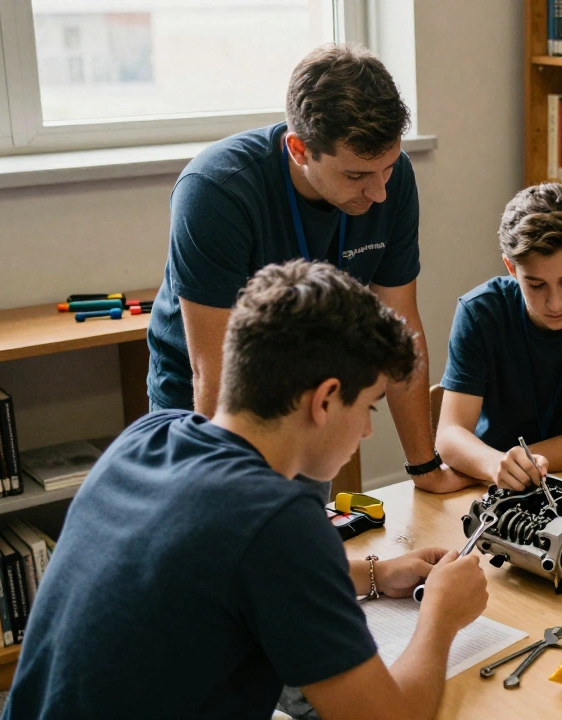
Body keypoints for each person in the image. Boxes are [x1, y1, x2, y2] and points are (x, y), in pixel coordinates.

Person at [3, 261, 489, 720]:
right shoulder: (279, 519)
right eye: (368, 408)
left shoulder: (148, 437)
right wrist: (442, 617)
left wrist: (377, 573)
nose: (364, 431)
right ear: (323, 400)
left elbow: (235, 576)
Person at [146, 43, 465, 495]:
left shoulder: (390, 180)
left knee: (300, 541)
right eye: (356, 176)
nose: (378, 193)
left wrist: (424, 467)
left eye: (388, 167)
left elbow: (401, 326)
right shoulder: (216, 191)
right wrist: (234, 504)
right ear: (299, 148)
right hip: (205, 406)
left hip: (312, 394)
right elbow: (213, 375)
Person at [436, 183, 562, 491]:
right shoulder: (479, 312)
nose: (556, 303)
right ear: (511, 268)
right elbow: (450, 434)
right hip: (490, 478)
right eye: (536, 285)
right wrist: (496, 465)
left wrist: (524, 461)